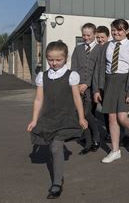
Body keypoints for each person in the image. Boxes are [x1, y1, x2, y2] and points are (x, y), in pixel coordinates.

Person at [27, 41, 88, 199]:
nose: (53, 63)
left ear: (65, 58)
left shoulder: (71, 75)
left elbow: (76, 98)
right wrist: (34, 120)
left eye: (58, 60)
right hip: (48, 117)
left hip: (65, 117)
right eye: (50, 59)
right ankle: (57, 171)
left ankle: (57, 182)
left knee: (55, 147)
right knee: (51, 147)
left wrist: (81, 117)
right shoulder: (42, 76)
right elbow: (38, 100)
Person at [94, 19, 129, 163]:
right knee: (111, 118)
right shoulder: (107, 46)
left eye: (119, 30)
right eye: (113, 30)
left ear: (125, 31)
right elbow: (100, 68)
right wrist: (97, 89)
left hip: (124, 84)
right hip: (109, 83)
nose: (116, 33)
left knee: (122, 117)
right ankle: (115, 151)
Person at [71, 23, 101, 155]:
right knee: (80, 114)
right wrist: (76, 85)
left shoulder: (100, 49)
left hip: (91, 88)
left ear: (94, 34)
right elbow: (74, 68)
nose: (86, 37)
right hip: (78, 87)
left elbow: (97, 70)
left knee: (87, 113)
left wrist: (87, 84)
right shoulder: (78, 49)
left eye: (89, 35)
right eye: (83, 35)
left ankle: (96, 138)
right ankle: (88, 142)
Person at [94, 25, 110, 141]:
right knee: (105, 111)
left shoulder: (111, 48)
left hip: (110, 85)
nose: (100, 40)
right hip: (100, 85)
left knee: (113, 112)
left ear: (107, 37)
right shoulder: (96, 49)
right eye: (98, 37)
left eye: (102, 37)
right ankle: (109, 132)